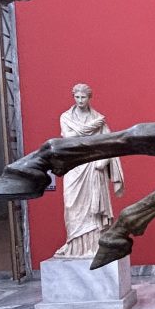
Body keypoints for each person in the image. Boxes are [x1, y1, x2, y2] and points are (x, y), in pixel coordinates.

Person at [54, 83, 125, 258]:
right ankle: (74, 245)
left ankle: (94, 246)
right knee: (72, 206)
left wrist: (104, 160)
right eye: (76, 97)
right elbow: (68, 138)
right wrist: (90, 127)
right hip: (74, 166)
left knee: (94, 212)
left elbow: (110, 144)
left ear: (89, 98)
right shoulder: (66, 117)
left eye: (83, 97)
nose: (79, 101)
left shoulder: (99, 119)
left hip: (94, 167)